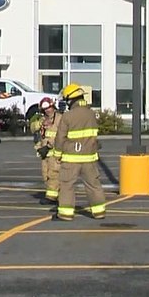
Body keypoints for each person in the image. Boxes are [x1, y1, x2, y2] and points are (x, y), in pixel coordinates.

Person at [53, 83, 106, 221]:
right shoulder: (91, 114)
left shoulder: (68, 116)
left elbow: (60, 138)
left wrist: (57, 155)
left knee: (67, 185)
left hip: (71, 159)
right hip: (89, 158)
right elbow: (95, 136)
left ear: (71, 100)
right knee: (94, 185)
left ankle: (65, 214)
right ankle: (99, 211)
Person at [29, 96, 62, 204]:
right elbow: (33, 128)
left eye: (49, 108)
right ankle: (56, 194)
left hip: (55, 152)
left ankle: (51, 197)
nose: (47, 111)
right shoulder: (42, 119)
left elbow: (61, 136)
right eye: (45, 109)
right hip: (44, 153)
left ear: (53, 107)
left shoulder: (60, 119)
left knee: (54, 174)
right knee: (45, 175)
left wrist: (49, 146)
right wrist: (40, 124)